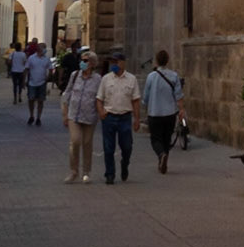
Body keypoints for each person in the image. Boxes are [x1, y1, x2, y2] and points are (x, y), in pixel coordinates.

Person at [96, 50, 141, 184]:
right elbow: (99, 98)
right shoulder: (106, 79)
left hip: (125, 117)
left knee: (127, 146)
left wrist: (137, 119)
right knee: (108, 147)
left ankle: (124, 164)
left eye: (115, 62)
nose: (113, 65)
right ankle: (110, 174)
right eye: (111, 62)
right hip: (109, 117)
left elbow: (136, 100)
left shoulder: (131, 79)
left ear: (122, 63)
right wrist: (101, 111)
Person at [61, 52, 101, 182]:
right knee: (75, 140)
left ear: (92, 64)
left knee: (87, 143)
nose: (82, 62)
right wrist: (65, 113)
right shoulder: (75, 75)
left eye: (85, 60)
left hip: (90, 116)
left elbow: (100, 97)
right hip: (74, 114)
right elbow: (67, 93)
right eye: (82, 60)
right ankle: (74, 170)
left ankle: (86, 172)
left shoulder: (97, 79)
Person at [143, 50, 184, 174]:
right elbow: (178, 95)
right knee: (166, 138)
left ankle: (161, 155)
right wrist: (181, 109)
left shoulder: (151, 76)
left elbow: (146, 96)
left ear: (156, 61)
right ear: (167, 60)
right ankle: (163, 160)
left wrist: (145, 106)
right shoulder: (174, 76)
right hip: (170, 114)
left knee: (155, 139)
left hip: (155, 113)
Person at [25, 39, 53, 125]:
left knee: (41, 100)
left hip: (42, 83)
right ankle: (31, 115)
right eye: (43, 48)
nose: (45, 50)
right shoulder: (31, 58)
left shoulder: (46, 59)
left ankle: (38, 117)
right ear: (39, 49)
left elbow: (50, 68)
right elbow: (27, 69)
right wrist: (25, 80)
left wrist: (48, 77)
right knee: (31, 99)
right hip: (32, 82)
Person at [8, 40, 28, 104]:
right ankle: (19, 96)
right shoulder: (23, 54)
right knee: (20, 84)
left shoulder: (12, 54)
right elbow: (25, 62)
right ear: (20, 47)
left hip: (14, 71)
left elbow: (10, 62)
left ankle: (15, 98)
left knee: (14, 85)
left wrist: (12, 65)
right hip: (21, 71)